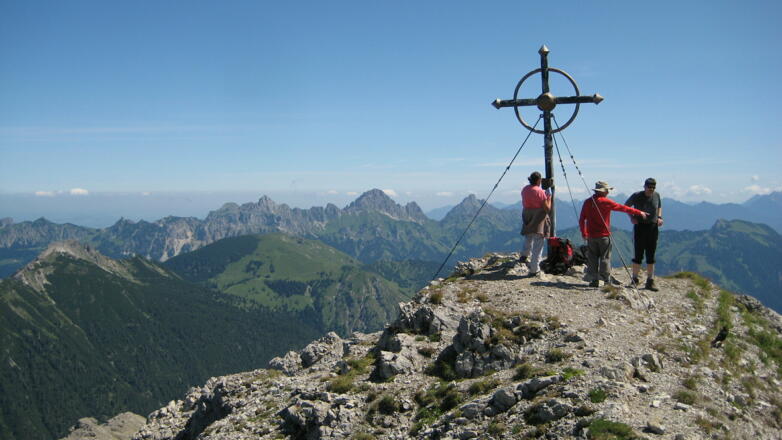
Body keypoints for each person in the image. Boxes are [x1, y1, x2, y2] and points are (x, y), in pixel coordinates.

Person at [579, 181, 648, 287]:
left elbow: (582, 219)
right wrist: (639, 212)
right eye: (607, 190)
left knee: (592, 257)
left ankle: (593, 279)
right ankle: (605, 279)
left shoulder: (588, 202)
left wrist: (584, 233)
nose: (608, 192)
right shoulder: (605, 202)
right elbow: (623, 208)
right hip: (604, 235)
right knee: (605, 258)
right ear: (603, 191)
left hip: (591, 236)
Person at [625, 177, 663, 291]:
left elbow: (659, 206)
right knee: (638, 254)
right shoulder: (637, 195)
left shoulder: (657, 195)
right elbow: (626, 206)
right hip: (640, 226)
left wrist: (659, 217)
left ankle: (650, 281)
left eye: (653, 187)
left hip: (653, 227)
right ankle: (634, 279)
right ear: (644, 186)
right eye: (649, 187)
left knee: (651, 254)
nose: (651, 189)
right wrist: (631, 218)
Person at [520, 171, 551, 276]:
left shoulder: (524, 189)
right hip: (538, 217)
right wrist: (549, 198)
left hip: (527, 215)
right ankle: (534, 269)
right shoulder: (540, 192)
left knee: (528, 236)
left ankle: (524, 255)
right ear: (538, 180)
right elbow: (547, 208)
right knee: (538, 242)